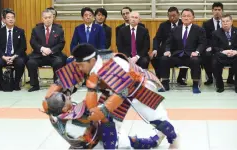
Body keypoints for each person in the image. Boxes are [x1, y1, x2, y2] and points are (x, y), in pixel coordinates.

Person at [47, 44, 180, 149]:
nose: (79, 69)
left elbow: (124, 90)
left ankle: (174, 139)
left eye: (81, 65)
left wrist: (104, 109)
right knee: (108, 123)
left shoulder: (112, 64)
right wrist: (51, 97)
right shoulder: (86, 62)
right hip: (113, 92)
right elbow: (66, 80)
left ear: (92, 61)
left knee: (155, 118)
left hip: (139, 88)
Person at [159, 8, 206, 93]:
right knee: (164, 59)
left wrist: (197, 52)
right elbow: (168, 42)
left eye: (188, 16)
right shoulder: (175, 29)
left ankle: (195, 84)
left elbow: (202, 43)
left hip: (191, 55)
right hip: (177, 55)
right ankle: (165, 83)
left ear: (193, 17)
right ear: (181, 17)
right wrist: (167, 50)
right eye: (184, 16)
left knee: (195, 61)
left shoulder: (199, 30)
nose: (186, 18)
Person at [26, 9, 65, 92]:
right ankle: (35, 85)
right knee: (30, 62)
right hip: (39, 55)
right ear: (42, 19)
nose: (47, 19)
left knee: (59, 62)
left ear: (52, 18)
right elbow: (32, 42)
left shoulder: (59, 29)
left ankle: (57, 85)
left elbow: (61, 43)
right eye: (45, 18)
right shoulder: (36, 29)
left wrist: (51, 50)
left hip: (53, 55)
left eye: (49, 17)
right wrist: (42, 49)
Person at [150, 7, 187, 84]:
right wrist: (155, 49)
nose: (172, 18)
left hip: (180, 48)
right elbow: (157, 38)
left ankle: (181, 78)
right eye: (170, 16)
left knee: (186, 55)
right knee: (153, 57)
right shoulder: (163, 25)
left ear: (179, 15)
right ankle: (160, 76)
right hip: (165, 49)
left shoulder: (184, 24)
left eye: (174, 15)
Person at [0, 9, 27, 91]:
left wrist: (14, 56)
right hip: (3, 55)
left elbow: (23, 47)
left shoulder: (20, 31)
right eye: (8, 18)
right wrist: (3, 56)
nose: (11, 19)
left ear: (15, 19)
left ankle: (16, 83)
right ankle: (1, 84)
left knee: (20, 63)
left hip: (16, 55)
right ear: (4, 20)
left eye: (12, 17)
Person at [202, 2, 234, 85]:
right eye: (215, 10)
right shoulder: (206, 24)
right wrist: (209, 47)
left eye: (219, 10)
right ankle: (210, 77)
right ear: (212, 11)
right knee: (206, 55)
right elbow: (204, 38)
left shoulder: (227, 23)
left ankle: (230, 78)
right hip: (211, 46)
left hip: (226, 46)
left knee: (232, 54)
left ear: (222, 11)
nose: (217, 12)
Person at [212, 14, 237, 93]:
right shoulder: (216, 33)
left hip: (235, 56)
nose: (225, 23)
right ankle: (220, 85)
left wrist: (236, 51)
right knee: (214, 63)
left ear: (231, 22)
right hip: (222, 56)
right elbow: (214, 47)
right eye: (223, 21)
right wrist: (224, 51)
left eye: (227, 21)